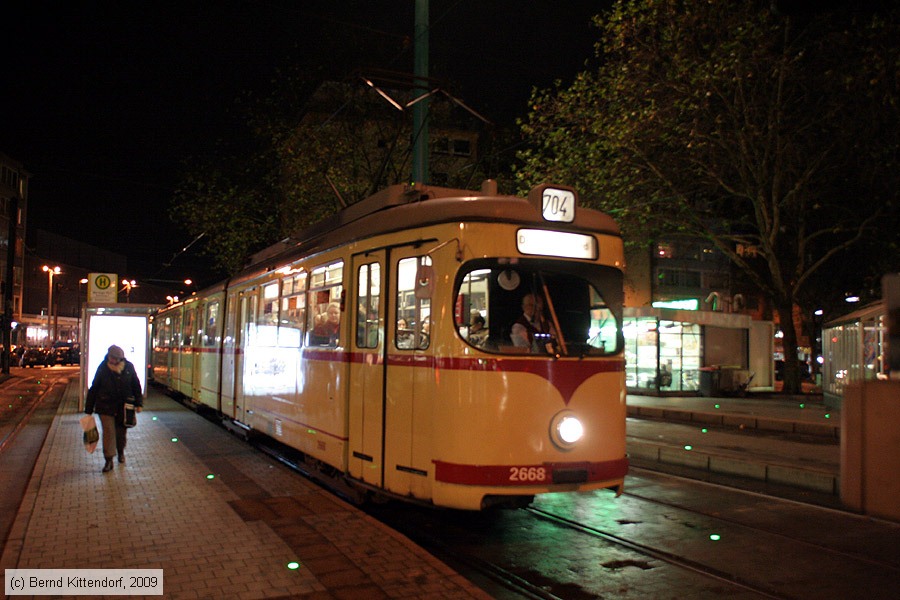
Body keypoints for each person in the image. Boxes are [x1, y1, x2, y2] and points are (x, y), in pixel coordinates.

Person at [84, 345, 143, 473]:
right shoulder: (103, 368)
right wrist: (88, 409)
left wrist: (139, 403)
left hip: (123, 407)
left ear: (121, 359)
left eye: (115, 358)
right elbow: (94, 388)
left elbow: (136, 386)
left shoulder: (128, 367)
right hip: (105, 406)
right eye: (110, 357)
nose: (112, 360)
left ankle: (120, 451)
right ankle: (108, 460)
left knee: (121, 433)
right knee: (109, 432)